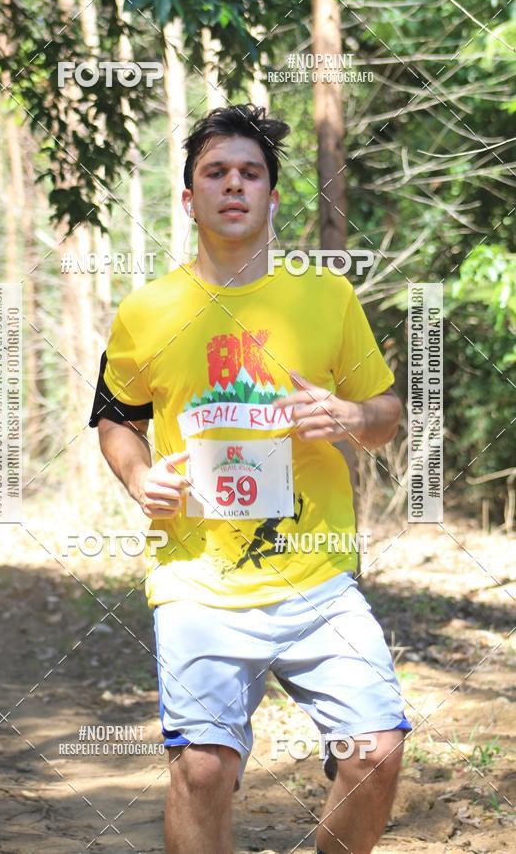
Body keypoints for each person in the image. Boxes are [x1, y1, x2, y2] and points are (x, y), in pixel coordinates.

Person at [90, 104, 411, 854]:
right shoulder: (146, 311)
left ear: (272, 196)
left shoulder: (326, 296)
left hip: (316, 575)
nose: (233, 184)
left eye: (250, 173)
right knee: (203, 769)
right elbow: (115, 420)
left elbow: (387, 413)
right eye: (215, 173)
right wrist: (138, 478)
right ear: (188, 197)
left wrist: (350, 415)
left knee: (375, 751)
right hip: (197, 579)